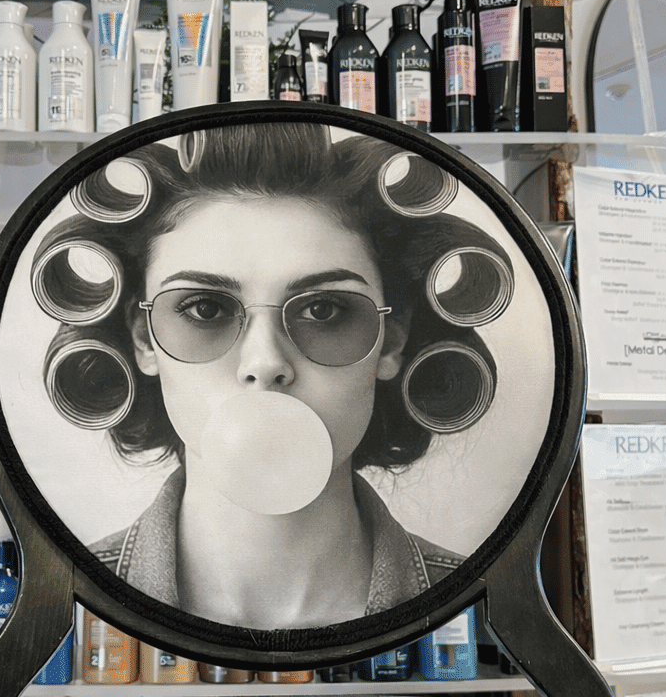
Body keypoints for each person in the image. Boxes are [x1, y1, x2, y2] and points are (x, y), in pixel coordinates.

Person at [30, 121, 514, 629]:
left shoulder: (487, 622)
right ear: (144, 339)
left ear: (391, 339)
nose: (264, 363)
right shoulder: (54, 618)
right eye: (204, 309)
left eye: (325, 310)